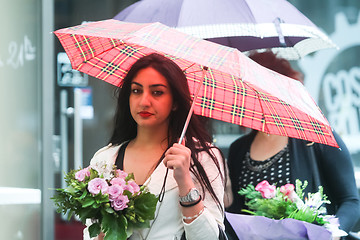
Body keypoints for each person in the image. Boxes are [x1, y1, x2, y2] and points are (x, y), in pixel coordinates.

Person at [83, 53, 226, 240]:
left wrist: (185, 183)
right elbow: (90, 232)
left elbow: (211, 238)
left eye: (157, 92)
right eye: (136, 91)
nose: (144, 101)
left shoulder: (202, 157)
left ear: (175, 102)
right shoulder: (105, 158)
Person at [225, 51, 360, 239]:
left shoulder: (317, 137)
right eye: (249, 92)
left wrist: (331, 234)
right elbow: (236, 211)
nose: (258, 99)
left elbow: (352, 201)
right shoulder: (238, 149)